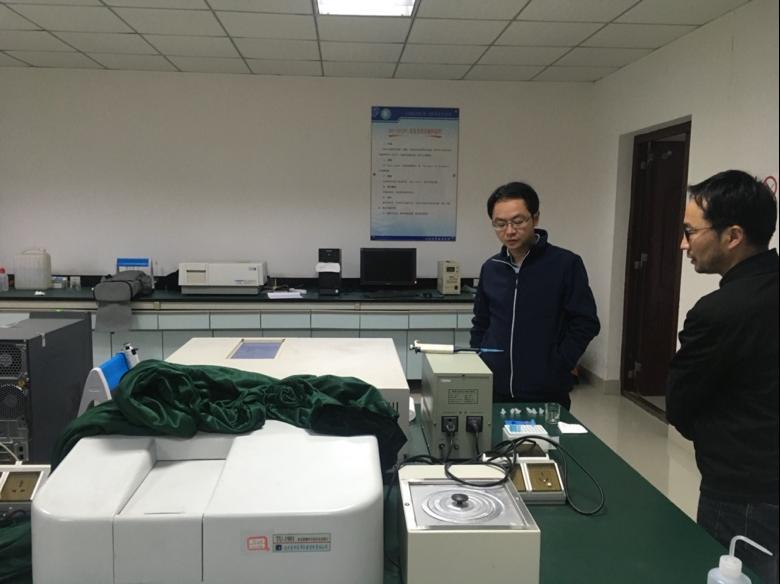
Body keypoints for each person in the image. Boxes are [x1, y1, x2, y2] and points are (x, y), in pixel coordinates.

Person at [666, 170, 779, 584]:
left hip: (740, 491)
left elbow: (679, 405)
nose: (683, 244)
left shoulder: (719, 312)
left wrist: (720, 435)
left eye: (690, 232)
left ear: (732, 236)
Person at [470, 181, 600, 408]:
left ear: (535, 218)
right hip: (495, 388)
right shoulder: (491, 268)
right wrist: (480, 358)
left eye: (518, 221)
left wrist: (560, 363)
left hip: (547, 391)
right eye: (500, 224)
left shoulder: (564, 264)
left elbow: (586, 322)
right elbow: (481, 322)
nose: (509, 231)